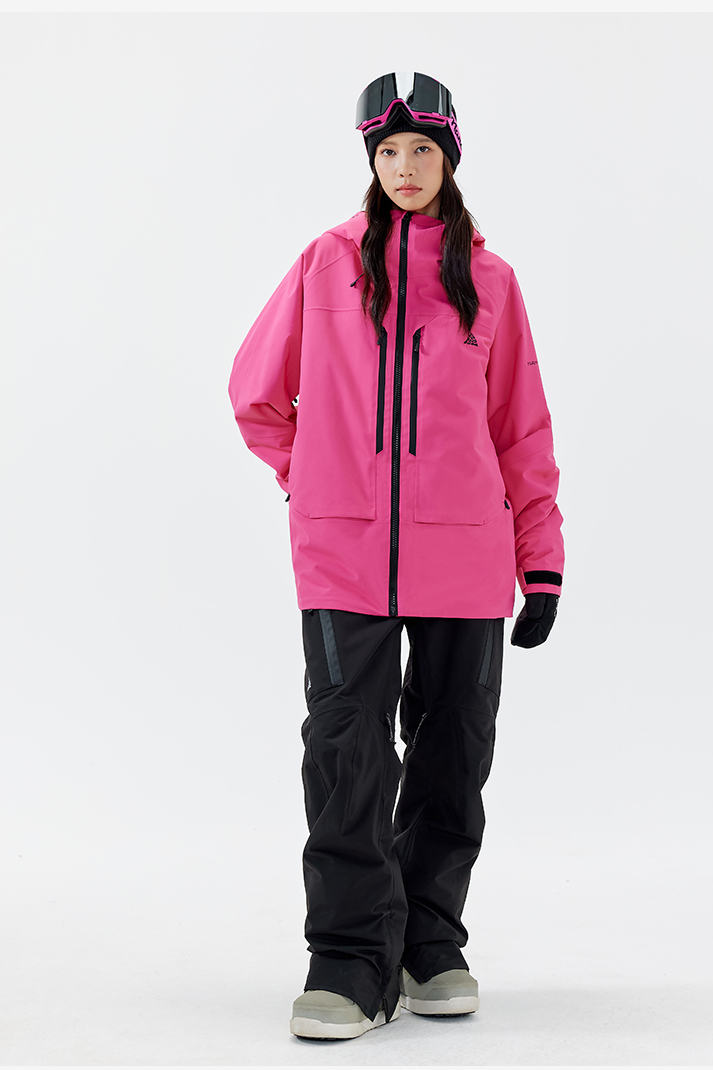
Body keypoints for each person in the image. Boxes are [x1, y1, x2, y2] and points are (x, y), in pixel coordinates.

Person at [228, 71, 564, 1041]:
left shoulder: (491, 282)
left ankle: (426, 941)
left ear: (449, 158)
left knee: (454, 748)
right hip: (343, 553)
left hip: (467, 553)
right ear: (369, 160)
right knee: (346, 750)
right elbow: (256, 393)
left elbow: (521, 429)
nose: (405, 167)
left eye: (422, 150)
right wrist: (312, 479)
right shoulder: (324, 262)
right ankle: (346, 956)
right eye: (387, 151)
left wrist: (540, 559)